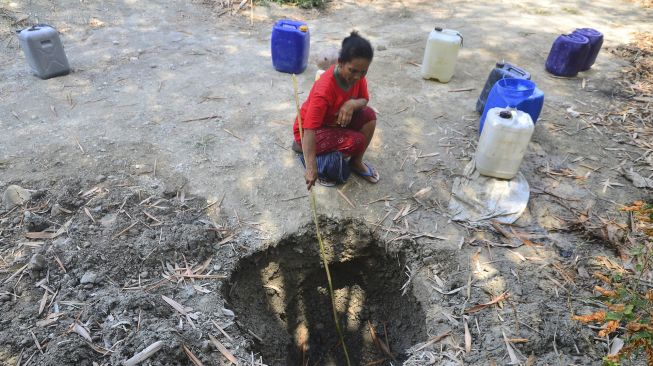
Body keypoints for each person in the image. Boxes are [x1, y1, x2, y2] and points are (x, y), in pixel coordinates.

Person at [293, 31, 379, 190]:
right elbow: (310, 130)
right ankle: (305, 153)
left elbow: (364, 100)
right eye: (352, 70)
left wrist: (351, 104)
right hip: (310, 132)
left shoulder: (357, 76)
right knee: (351, 149)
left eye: (363, 72)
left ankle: (356, 162)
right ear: (340, 63)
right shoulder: (324, 89)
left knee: (369, 116)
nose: (358, 77)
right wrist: (311, 169)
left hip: (334, 124)